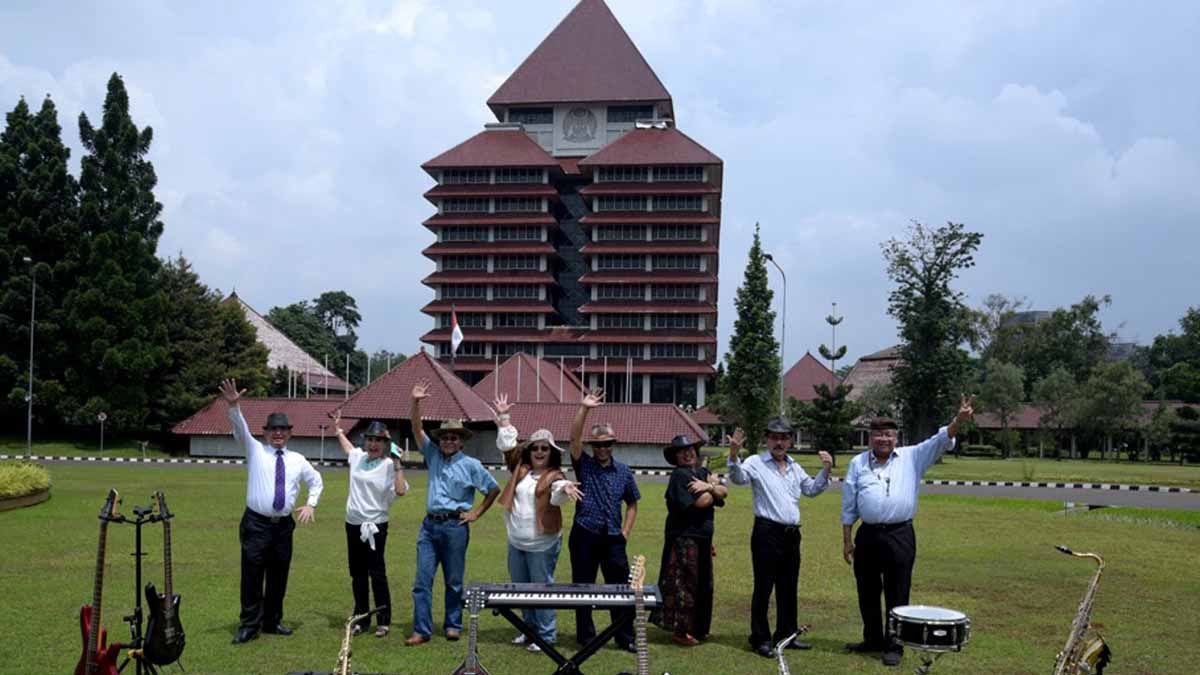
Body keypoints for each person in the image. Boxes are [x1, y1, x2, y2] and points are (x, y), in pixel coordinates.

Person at [841, 395, 975, 667]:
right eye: (878, 435)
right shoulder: (858, 463)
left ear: (896, 437)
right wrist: (846, 540)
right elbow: (849, 504)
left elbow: (940, 440)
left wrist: (958, 421)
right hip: (867, 535)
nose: (883, 439)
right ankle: (872, 639)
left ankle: (894, 645)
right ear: (870, 438)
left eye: (888, 435)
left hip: (899, 535)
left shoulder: (912, 457)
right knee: (866, 589)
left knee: (897, 591)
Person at [219, 379, 324, 645]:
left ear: (289, 433)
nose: (278, 433)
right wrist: (234, 406)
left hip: (283, 526)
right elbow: (241, 429)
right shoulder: (255, 450)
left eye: (283, 430)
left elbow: (316, 481)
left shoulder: (298, 459)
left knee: (279, 576)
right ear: (265, 433)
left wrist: (311, 503)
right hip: (256, 524)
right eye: (273, 429)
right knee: (252, 575)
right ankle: (249, 625)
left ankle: (272, 621)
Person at [726, 417, 833, 658]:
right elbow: (738, 478)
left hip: (791, 535)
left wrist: (826, 470)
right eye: (774, 437)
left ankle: (786, 635)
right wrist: (734, 455)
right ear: (766, 440)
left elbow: (811, 489)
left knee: (788, 587)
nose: (779, 442)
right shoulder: (755, 462)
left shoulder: (794, 466)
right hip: (767, 532)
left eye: (784, 438)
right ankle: (760, 638)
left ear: (790, 441)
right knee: (764, 587)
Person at [406, 380, 500, 646]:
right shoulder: (432, 455)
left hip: (455, 527)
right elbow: (416, 428)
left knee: (454, 581)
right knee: (422, 581)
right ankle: (421, 630)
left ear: (461, 441)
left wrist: (476, 514)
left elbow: (493, 489)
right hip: (429, 526)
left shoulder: (471, 465)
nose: (448, 441)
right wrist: (415, 402)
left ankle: (453, 624)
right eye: (445, 437)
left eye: (454, 437)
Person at [494, 394, 584, 652]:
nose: (540, 452)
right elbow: (508, 447)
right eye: (535, 448)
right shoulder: (520, 471)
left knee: (541, 590)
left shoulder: (555, 475)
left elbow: (556, 493)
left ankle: (546, 635)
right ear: (529, 451)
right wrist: (504, 418)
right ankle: (528, 630)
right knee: (522, 589)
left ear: (551, 452)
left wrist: (565, 487)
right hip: (516, 541)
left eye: (545, 448)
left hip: (542, 543)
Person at [567, 388, 641, 653]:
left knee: (620, 590)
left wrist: (626, 532)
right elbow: (574, 438)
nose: (602, 448)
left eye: (607, 443)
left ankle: (624, 636)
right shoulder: (584, 465)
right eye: (598, 444)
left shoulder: (623, 471)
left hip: (613, 537)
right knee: (583, 587)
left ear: (613, 444)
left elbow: (633, 502)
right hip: (585, 533)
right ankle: (586, 637)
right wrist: (584, 408)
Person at [332, 413, 409, 638]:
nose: (373, 444)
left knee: (377, 573)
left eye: (378, 441)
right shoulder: (357, 456)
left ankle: (384, 620)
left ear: (386, 444)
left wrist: (397, 463)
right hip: (353, 523)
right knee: (357, 573)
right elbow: (347, 448)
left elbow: (402, 490)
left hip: (375, 525)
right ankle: (362, 618)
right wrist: (337, 429)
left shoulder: (388, 465)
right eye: (370, 440)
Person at [653, 434, 726, 647]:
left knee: (704, 583)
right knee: (685, 585)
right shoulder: (679, 476)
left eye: (690, 449)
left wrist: (710, 487)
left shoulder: (701, 473)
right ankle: (681, 630)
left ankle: (699, 628)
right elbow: (703, 502)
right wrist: (711, 488)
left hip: (703, 537)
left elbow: (724, 491)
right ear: (676, 457)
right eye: (682, 451)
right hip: (684, 538)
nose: (688, 453)